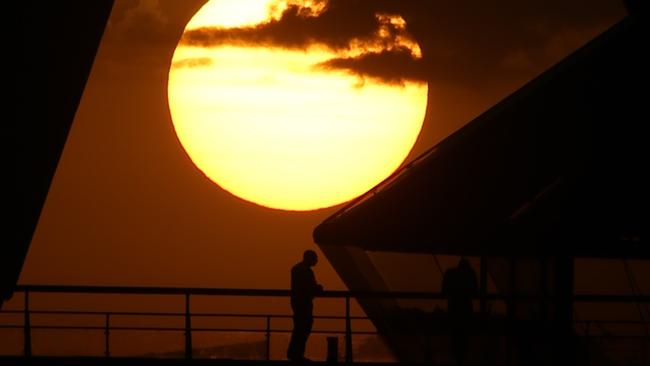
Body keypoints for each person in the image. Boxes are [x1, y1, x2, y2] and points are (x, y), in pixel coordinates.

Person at [287, 250, 323, 362]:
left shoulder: (295, 269)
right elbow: (311, 288)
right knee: (304, 328)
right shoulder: (307, 271)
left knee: (298, 328)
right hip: (304, 303)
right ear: (310, 259)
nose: (316, 261)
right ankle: (297, 354)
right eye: (315, 258)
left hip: (296, 302)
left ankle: (293, 353)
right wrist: (319, 288)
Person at [441, 257, 478, 365]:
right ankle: (460, 358)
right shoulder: (470, 274)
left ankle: (458, 357)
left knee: (456, 336)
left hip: (453, 310)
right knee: (463, 338)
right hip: (465, 310)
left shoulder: (450, 273)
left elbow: (444, 292)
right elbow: (475, 291)